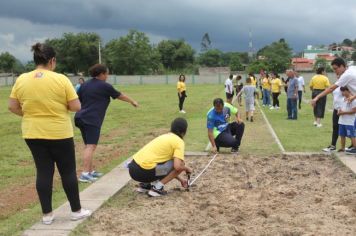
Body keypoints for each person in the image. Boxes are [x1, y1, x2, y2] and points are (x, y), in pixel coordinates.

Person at [8, 43, 91, 225]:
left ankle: (47, 215)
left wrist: (30, 114)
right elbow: (76, 106)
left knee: (43, 172)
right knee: (67, 171)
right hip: (59, 132)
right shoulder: (60, 79)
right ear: (52, 61)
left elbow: (12, 106)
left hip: (32, 132)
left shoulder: (22, 79)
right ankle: (76, 210)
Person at [75, 64, 138, 183]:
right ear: (102, 74)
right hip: (91, 119)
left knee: (89, 145)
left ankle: (90, 171)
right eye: (107, 73)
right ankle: (84, 174)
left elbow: (78, 100)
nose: (107, 76)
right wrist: (132, 101)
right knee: (91, 146)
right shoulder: (105, 86)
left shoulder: (84, 85)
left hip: (80, 118)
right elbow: (120, 96)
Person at [128, 118, 192, 197]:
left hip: (133, 169)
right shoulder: (179, 141)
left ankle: (146, 185)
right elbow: (177, 167)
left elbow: (168, 168)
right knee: (181, 164)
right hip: (145, 172)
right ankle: (157, 188)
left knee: (161, 162)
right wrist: (186, 168)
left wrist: (181, 180)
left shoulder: (164, 136)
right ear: (184, 131)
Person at [311, 58, 356, 154]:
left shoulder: (346, 75)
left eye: (336, 69)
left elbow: (331, 88)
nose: (335, 71)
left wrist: (317, 97)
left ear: (342, 66)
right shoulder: (352, 68)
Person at [323, 85, 343, 152]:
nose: (337, 76)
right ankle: (333, 145)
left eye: (339, 74)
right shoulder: (336, 85)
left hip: (343, 110)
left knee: (346, 127)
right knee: (335, 127)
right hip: (336, 109)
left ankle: (353, 145)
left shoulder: (347, 84)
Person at [337, 87, 356, 152]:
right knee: (342, 135)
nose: (342, 93)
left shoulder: (353, 100)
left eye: (343, 91)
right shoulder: (342, 99)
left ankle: (355, 148)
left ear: (348, 91)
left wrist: (344, 112)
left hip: (349, 121)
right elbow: (340, 108)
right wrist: (339, 112)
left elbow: (354, 111)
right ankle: (342, 148)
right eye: (341, 91)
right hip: (342, 121)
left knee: (352, 135)